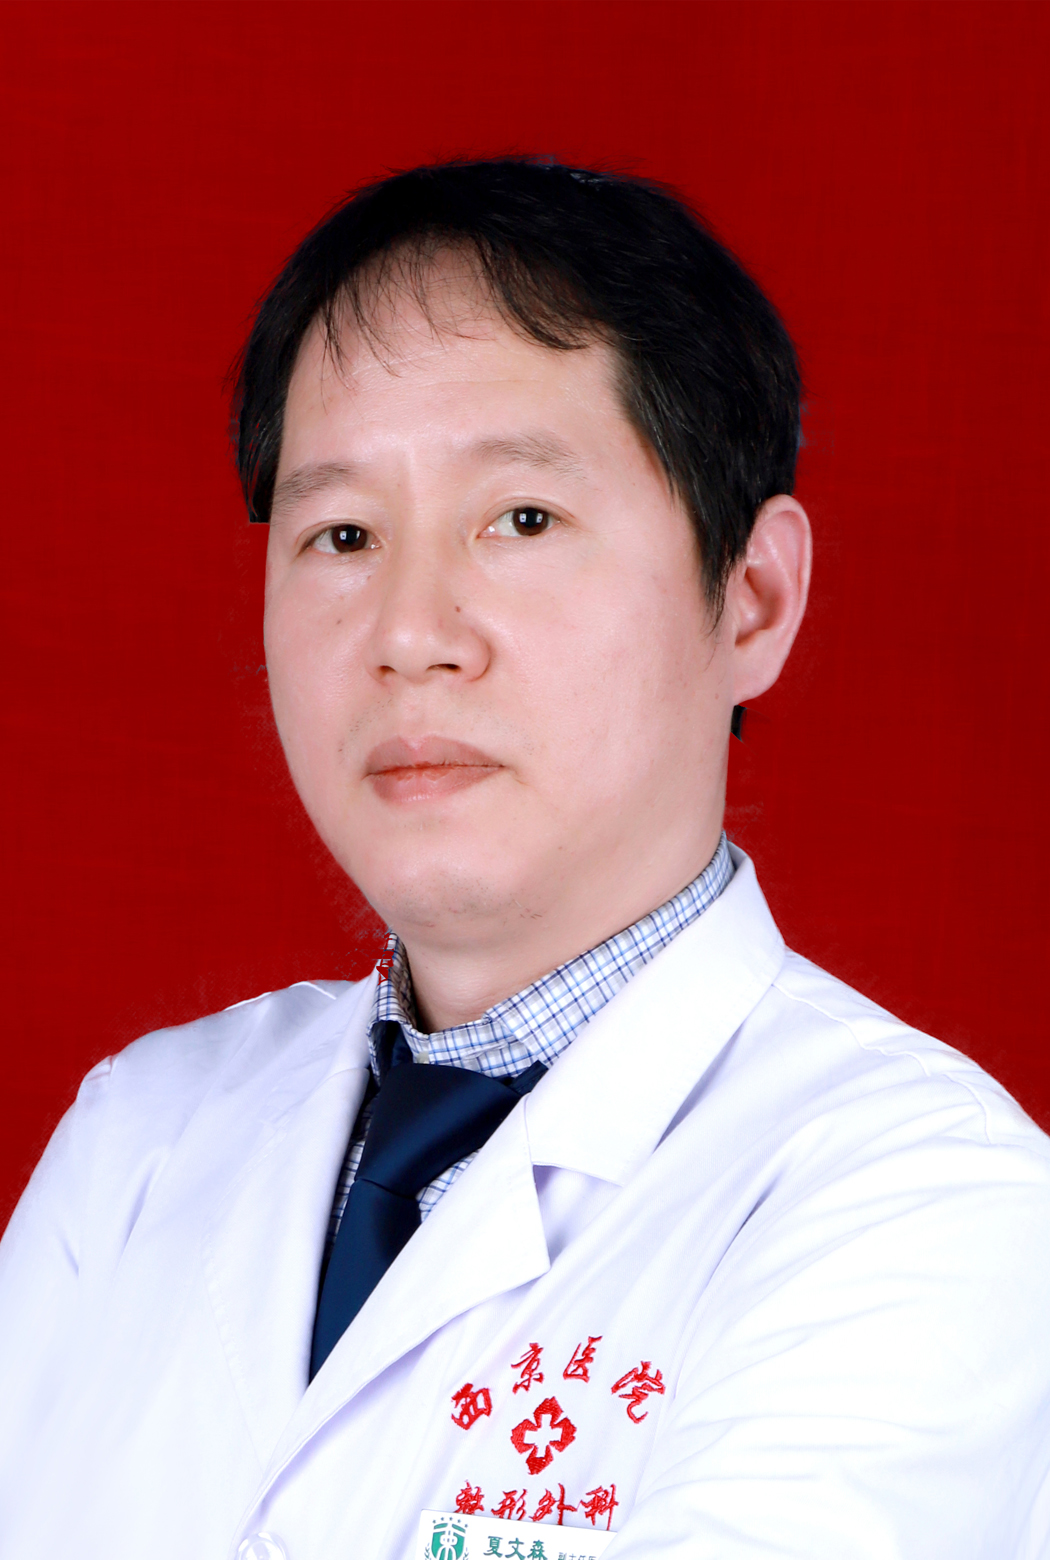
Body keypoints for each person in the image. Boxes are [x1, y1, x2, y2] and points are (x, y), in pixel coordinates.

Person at [1, 158, 1048, 1560]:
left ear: (751, 599)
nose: (409, 632)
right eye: (342, 534)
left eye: (522, 521)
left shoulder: (924, 1204)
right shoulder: (139, 1137)